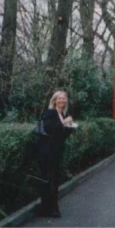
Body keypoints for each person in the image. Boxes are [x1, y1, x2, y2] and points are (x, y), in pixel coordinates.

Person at [37, 90, 75, 218]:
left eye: (64, 99)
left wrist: (70, 127)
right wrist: (65, 122)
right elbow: (49, 128)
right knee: (49, 179)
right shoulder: (50, 113)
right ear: (54, 100)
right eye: (59, 99)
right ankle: (49, 209)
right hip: (48, 151)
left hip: (56, 151)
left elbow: (61, 135)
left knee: (54, 179)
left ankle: (50, 208)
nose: (62, 101)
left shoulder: (62, 115)